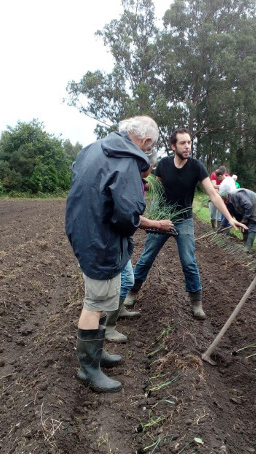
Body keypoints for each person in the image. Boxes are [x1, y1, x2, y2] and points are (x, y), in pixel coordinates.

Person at [66, 115, 168, 393]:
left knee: (100, 299)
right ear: (146, 141)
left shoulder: (93, 148)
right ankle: (88, 370)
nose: (149, 152)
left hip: (85, 232)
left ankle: (97, 354)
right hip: (100, 239)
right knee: (95, 302)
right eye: (152, 146)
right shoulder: (125, 162)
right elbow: (127, 215)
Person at [124, 128, 247, 320]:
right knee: (147, 257)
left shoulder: (197, 167)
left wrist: (230, 218)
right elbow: (155, 188)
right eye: (183, 143)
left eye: (189, 142)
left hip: (184, 220)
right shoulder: (164, 164)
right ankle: (131, 293)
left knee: (189, 262)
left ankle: (196, 302)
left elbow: (213, 194)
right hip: (163, 218)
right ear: (173, 146)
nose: (187, 146)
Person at [104, 150, 169, 342]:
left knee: (127, 278)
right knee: (123, 280)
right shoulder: (128, 182)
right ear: (145, 165)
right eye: (151, 166)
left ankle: (119, 310)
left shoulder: (137, 181)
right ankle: (108, 326)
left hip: (120, 238)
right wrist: (156, 224)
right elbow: (129, 216)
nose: (152, 170)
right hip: (111, 239)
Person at [219, 185, 256, 251]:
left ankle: (248, 247)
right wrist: (222, 226)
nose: (225, 203)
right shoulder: (227, 202)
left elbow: (248, 205)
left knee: (252, 225)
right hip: (243, 208)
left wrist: (245, 219)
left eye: (225, 201)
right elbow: (228, 215)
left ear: (227, 197)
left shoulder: (238, 195)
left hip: (255, 204)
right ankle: (245, 243)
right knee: (242, 225)